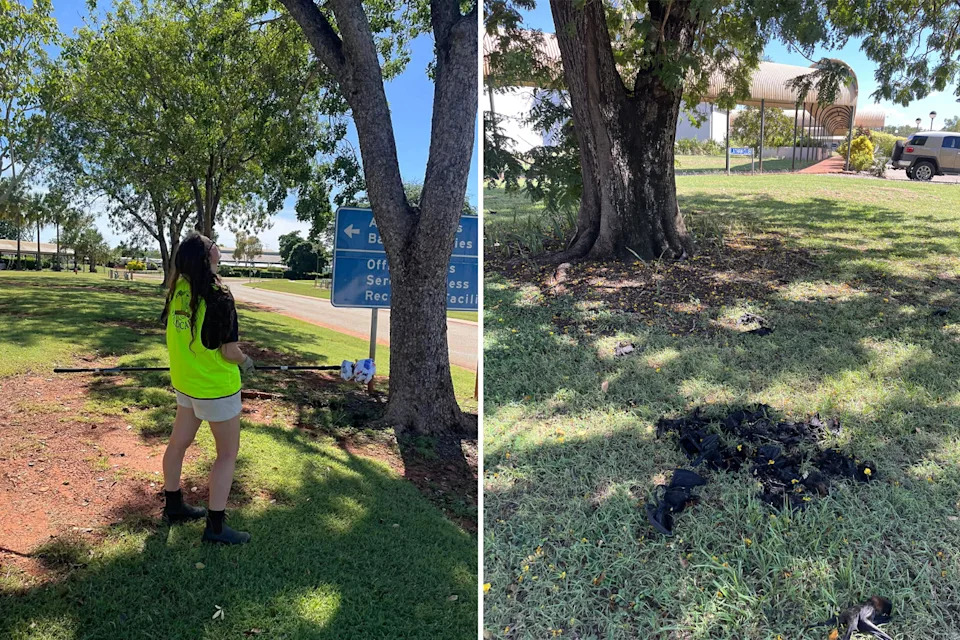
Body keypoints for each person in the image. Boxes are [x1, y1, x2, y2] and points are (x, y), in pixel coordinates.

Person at [159, 233, 255, 544]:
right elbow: (229, 351)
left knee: (178, 444)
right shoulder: (218, 296)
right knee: (227, 454)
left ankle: (174, 506)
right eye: (212, 244)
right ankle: (215, 528)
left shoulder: (178, 290)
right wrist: (246, 361)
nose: (217, 247)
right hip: (216, 388)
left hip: (186, 384)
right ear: (207, 256)